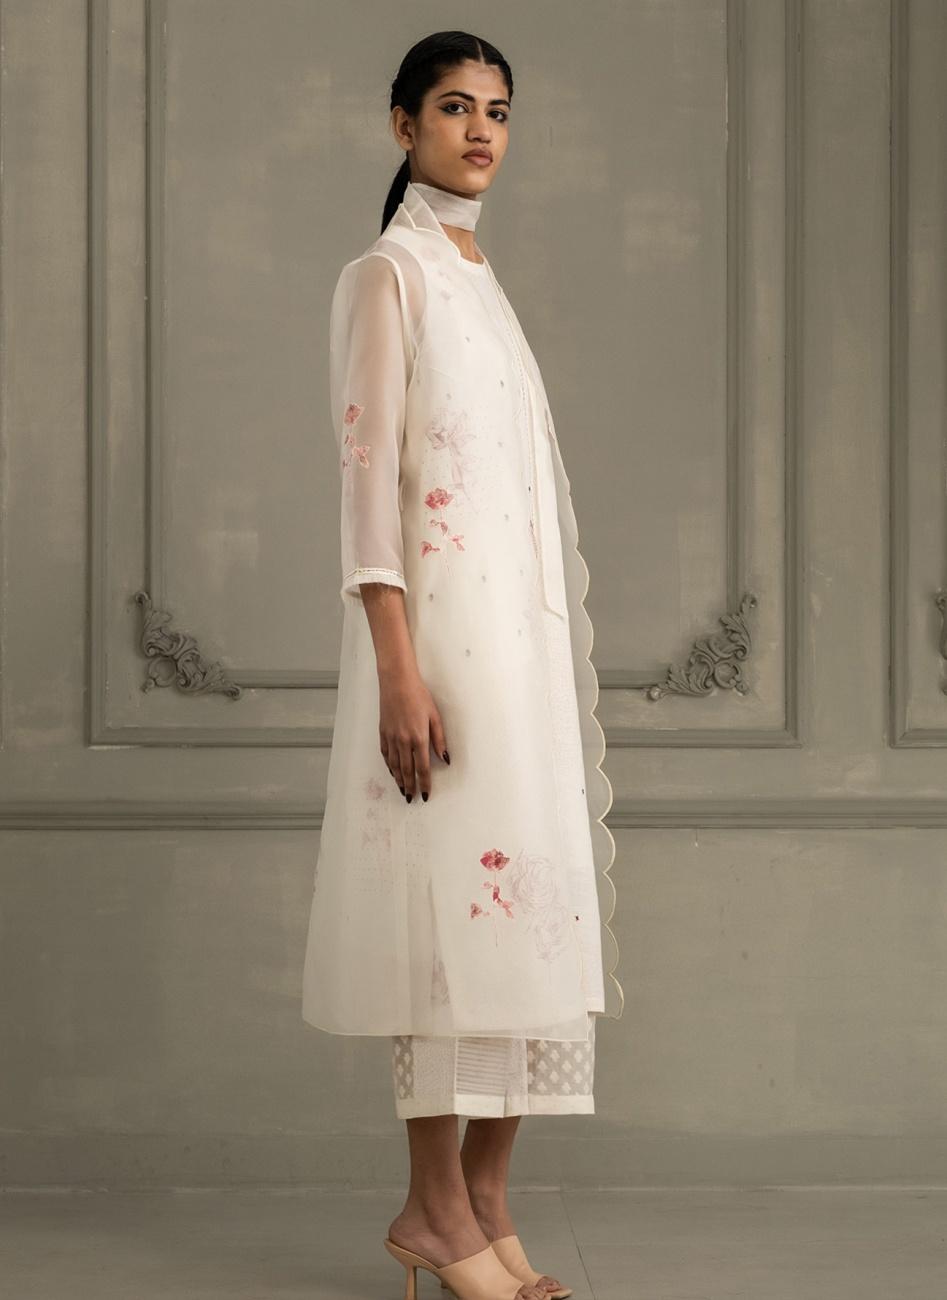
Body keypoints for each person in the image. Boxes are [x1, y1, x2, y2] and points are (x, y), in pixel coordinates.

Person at [301, 30, 624, 1300]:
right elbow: (366, 480)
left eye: (497, 109)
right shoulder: (389, 274)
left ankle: (486, 1200)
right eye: (452, 106)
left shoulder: (479, 277)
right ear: (402, 126)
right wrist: (397, 667)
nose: (480, 129)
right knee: (440, 925)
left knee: (524, 921)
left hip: (518, 661)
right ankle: (433, 1208)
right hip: (436, 653)